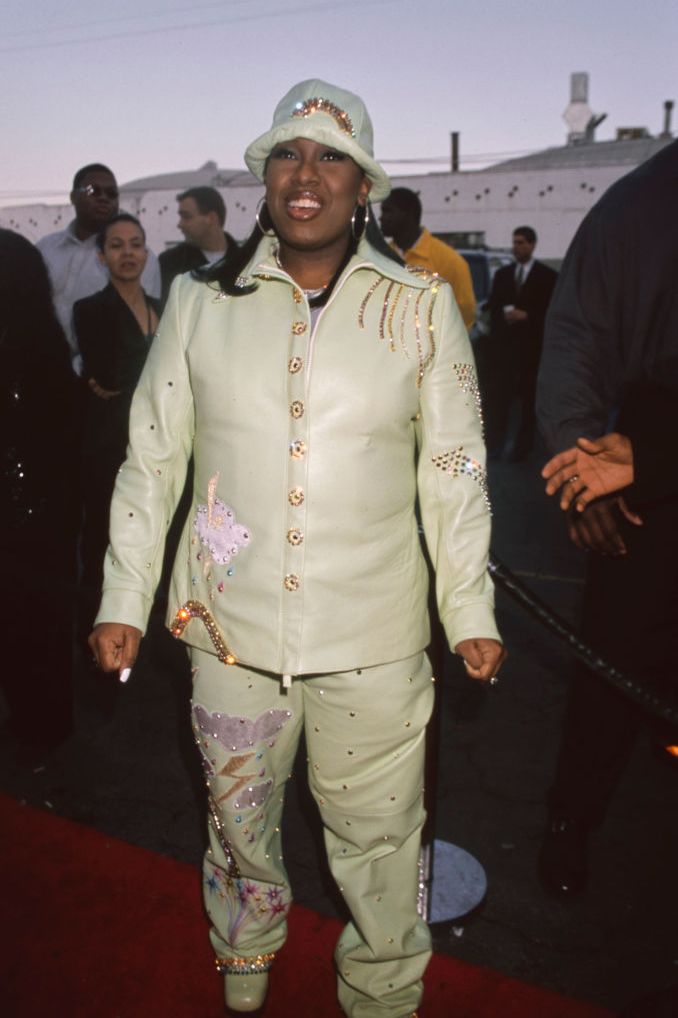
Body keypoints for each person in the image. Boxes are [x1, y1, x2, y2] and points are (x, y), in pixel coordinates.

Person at [89, 79, 505, 1018]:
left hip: (377, 641)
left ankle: (383, 991)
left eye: (330, 157)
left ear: (363, 185)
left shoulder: (420, 307)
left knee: (383, 840)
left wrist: (468, 609)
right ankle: (246, 959)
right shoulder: (200, 301)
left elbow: (454, 470)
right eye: (287, 154)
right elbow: (151, 460)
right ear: (265, 178)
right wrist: (123, 597)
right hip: (227, 632)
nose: (305, 175)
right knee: (238, 823)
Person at [535, 139, 678, 897]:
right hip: (644, 477)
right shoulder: (639, 202)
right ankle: (571, 822)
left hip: (650, 456)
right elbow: (577, 339)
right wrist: (582, 473)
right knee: (611, 673)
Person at [0, 229, 79, 757]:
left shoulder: (22, 344)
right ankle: (47, 723)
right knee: (44, 621)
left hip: (21, 509)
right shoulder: (47, 340)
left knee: (23, 621)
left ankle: (38, 724)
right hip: (47, 510)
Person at [73, 213, 160, 637]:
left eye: (136, 243)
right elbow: (110, 372)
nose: (128, 253)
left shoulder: (167, 308)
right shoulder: (88, 310)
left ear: (147, 251)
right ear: (101, 256)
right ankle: (100, 635)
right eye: (117, 245)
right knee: (105, 543)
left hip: (159, 442)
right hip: (109, 446)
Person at [37, 163, 161, 370]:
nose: (104, 197)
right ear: (73, 197)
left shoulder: (136, 259)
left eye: (111, 193)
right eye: (93, 190)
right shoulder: (45, 249)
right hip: (43, 368)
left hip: (103, 376)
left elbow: (140, 328)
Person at [482, 226, 557, 460]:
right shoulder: (504, 274)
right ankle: (494, 446)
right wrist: (501, 317)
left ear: (533, 245)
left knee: (528, 404)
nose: (517, 247)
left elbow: (552, 313)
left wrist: (528, 316)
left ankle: (522, 450)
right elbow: (493, 306)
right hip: (505, 350)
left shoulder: (547, 276)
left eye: (522, 243)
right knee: (499, 401)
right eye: (515, 243)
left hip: (531, 351)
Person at [379, 187, 476, 330]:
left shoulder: (450, 261)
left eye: (388, 211)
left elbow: (465, 315)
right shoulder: (379, 257)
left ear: (408, 214)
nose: (381, 217)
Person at [158, 186, 239, 307]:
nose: (180, 224)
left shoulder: (247, 262)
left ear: (211, 218)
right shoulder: (170, 264)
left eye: (186, 217)